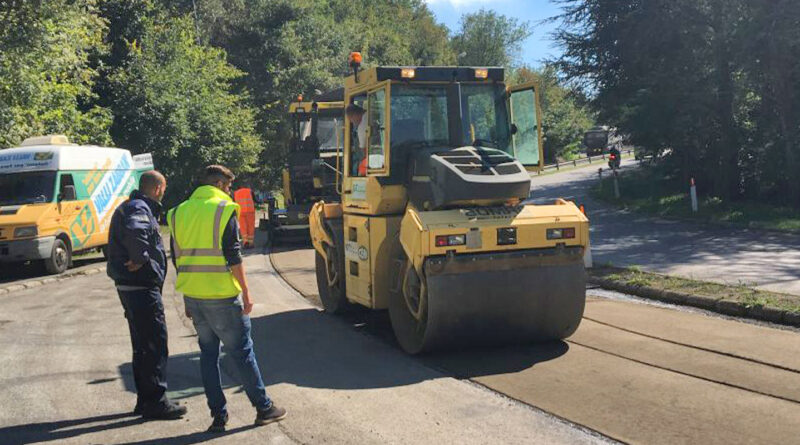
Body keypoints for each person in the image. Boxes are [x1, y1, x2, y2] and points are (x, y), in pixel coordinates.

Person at [167, 165, 286, 433]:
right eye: (229, 186)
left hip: (195, 296)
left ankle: (218, 416)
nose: (230, 191)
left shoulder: (178, 212)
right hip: (221, 294)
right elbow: (233, 256)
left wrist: (187, 297)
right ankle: (264, 408)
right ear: (220, 184)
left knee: (208, 355)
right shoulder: (223, 209)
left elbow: (178, 258)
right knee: (242, 353)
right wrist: (246, 292)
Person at [107, 170, 187, 420]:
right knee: (154, 344)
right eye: (163, 187)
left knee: (142, 345)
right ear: (157, 188)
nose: (164, 192)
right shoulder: (140, 208)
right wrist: (141, 258)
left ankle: (145, 400)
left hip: (131, 287)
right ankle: (156, 402)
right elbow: (136, 231)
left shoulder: (131, 205)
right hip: (141, 287)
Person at [346, 103, 367, 176]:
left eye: (351, 119)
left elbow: (364, 150)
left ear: (355, 115)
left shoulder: (362, 125)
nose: (352, 122)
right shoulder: (370, 115)